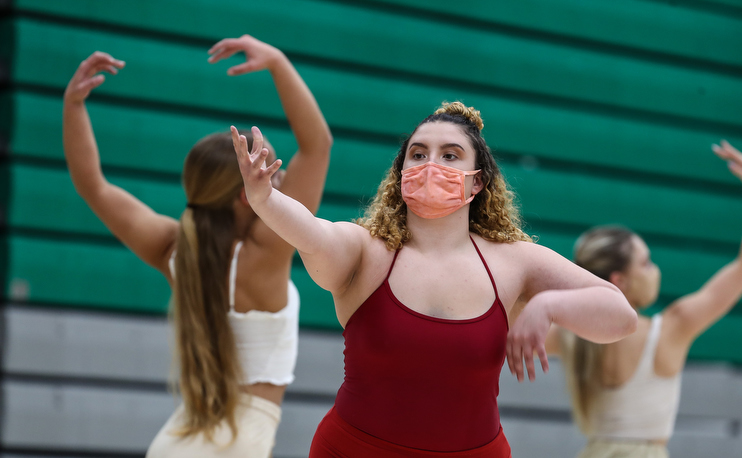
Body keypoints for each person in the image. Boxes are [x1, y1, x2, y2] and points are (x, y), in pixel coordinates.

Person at [231, 101, 638, 457]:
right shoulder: (365, 251)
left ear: (477, 181)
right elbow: (312, 231)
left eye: (450, 156)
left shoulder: (515, 262)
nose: (430, 165)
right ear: (401, 170)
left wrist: (550, 304)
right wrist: (265, 198)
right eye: (419, 153)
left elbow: (621, 316)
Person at [62, 35, 332, 457]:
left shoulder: (174, 249)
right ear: (248, 195)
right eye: (271, 176)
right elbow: (317, 146)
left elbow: (93, 186)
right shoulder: (268, 252)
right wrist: (278, 61)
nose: (279, 183)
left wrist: (73, 107)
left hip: (177, 439)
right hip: (239, 443)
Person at [550, 141, 742, 458]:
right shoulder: (671, 328)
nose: (655, 270)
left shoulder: (569, 333)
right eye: (646, 262)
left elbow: (500, 332)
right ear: (619, 281)